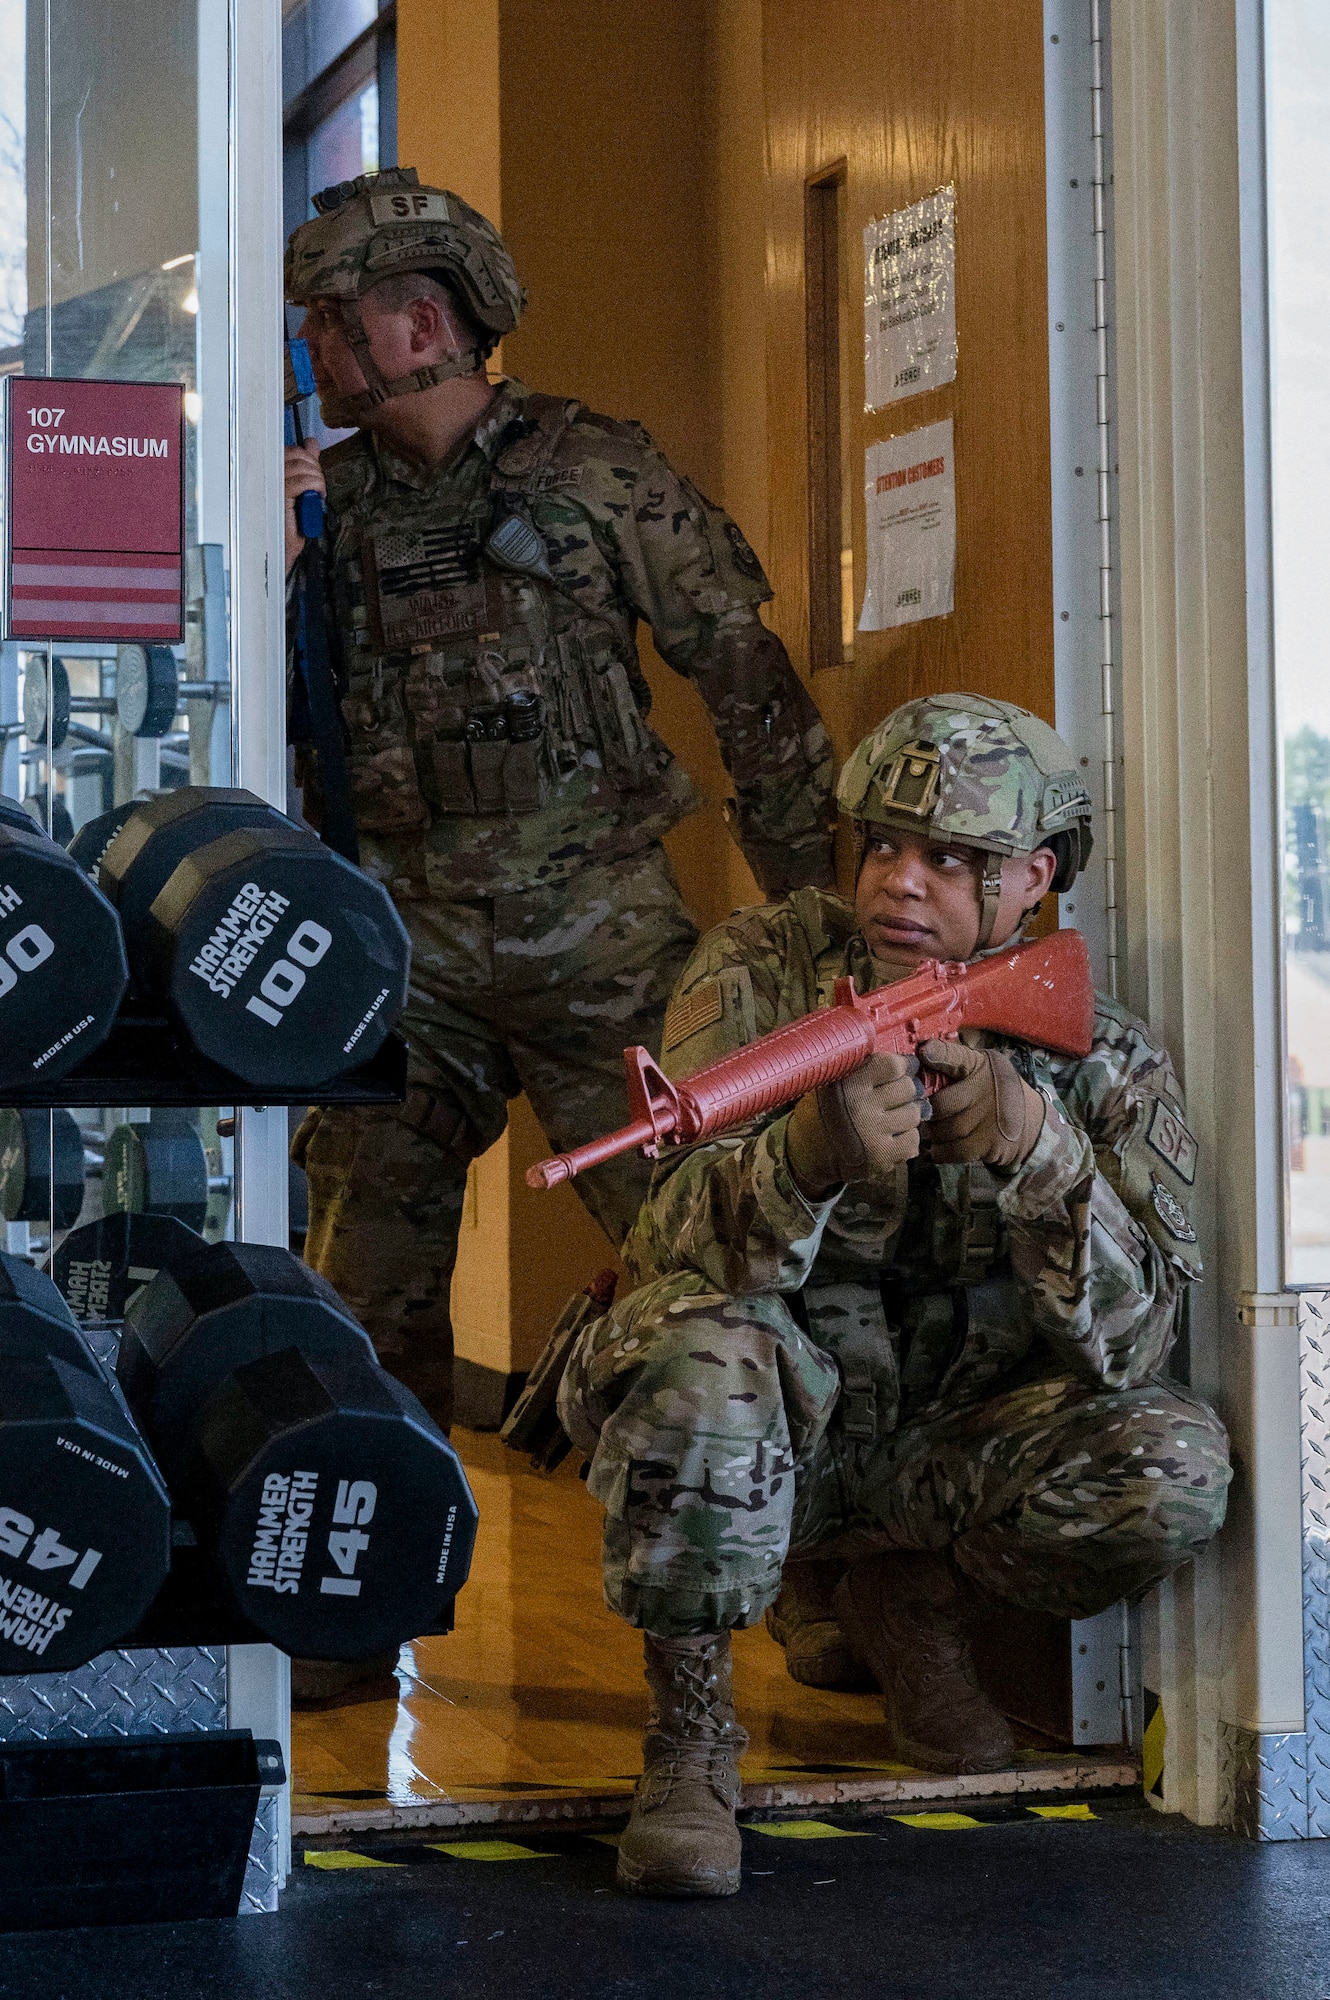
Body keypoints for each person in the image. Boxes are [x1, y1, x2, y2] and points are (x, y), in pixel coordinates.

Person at [559, 692, 1231, 1899]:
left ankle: (909, 1604)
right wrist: (800, 1160)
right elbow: (663, 1239)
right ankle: (693, 1730)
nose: (900, 883)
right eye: (880, 844)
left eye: (951, 858)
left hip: (949, 1452)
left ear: (1033, 879)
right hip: (785, 1432)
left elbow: (1139, 1342)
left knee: (1174, 1464)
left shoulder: (1098, 1052)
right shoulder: (761, 976)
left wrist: (1036, 1149)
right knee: (698, 1347)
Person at [282, 166, 835, 1460]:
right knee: (355, 1282)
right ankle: (359, 1597)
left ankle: (800, 1569)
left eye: (327, 317)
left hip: (602, 948)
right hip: (400, 955)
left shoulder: (594, 470)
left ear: (418, 325)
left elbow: (742, 679)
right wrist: (266, 564)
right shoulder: (323, 505)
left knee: (708, 1252)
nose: (309, 345)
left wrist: (812, 917)